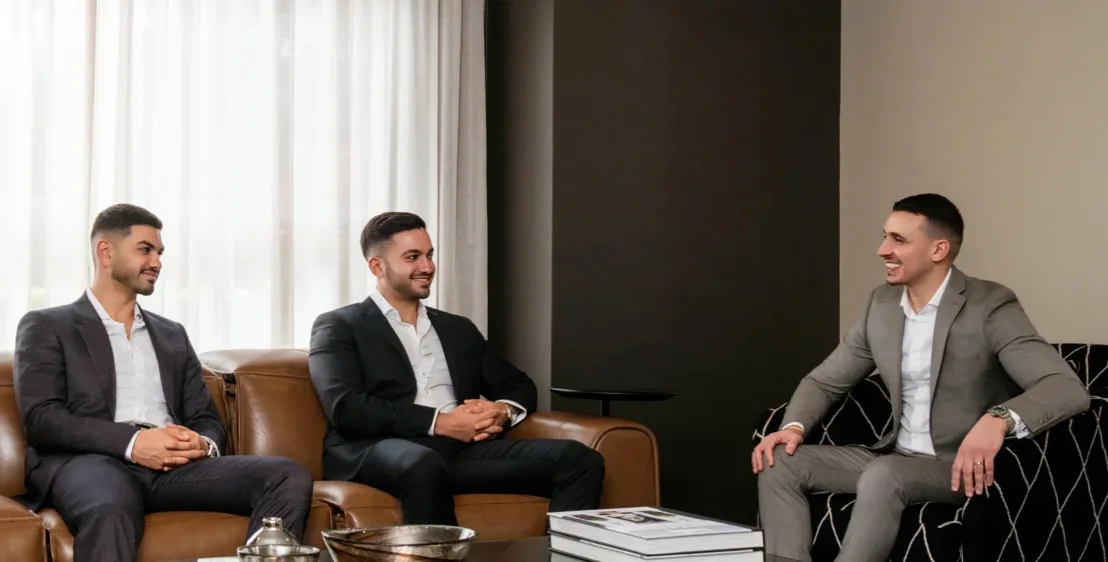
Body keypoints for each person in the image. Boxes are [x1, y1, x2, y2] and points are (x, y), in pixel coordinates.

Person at [751, 194, 1090, 562]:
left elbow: (1065, 387)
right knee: (779, 462)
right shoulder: (880, 305)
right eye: (885, 237)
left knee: (885, 475)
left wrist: (999, 419)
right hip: (893, 456)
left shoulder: (990, 306)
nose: (883, 250)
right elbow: (825, 380)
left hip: (956, 466)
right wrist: (795, 427)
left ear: (938, 249)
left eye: (899, 240)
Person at [13, 204, 314, 562]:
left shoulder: (171, 335)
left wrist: (201, 443)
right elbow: (42, 419)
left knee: (286, 475)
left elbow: (206, 418)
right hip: (93, 463)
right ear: (105, 252)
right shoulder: (48, 325)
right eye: (145, 249)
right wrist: (134, 442)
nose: (157, 262)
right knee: (109, 508)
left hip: (174, 469)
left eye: (159, 252)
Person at [308, 211, 604, 525]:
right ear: (377, 266)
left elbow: (517, 383)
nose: (427, 267)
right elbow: (345, 406)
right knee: (421, 462)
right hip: (376, 450)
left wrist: (501, 411)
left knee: (578, 459)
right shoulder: (339, 325)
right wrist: (442, 422)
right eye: (413, 257)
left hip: (460, 451)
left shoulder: (457, 328)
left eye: (429, 255)